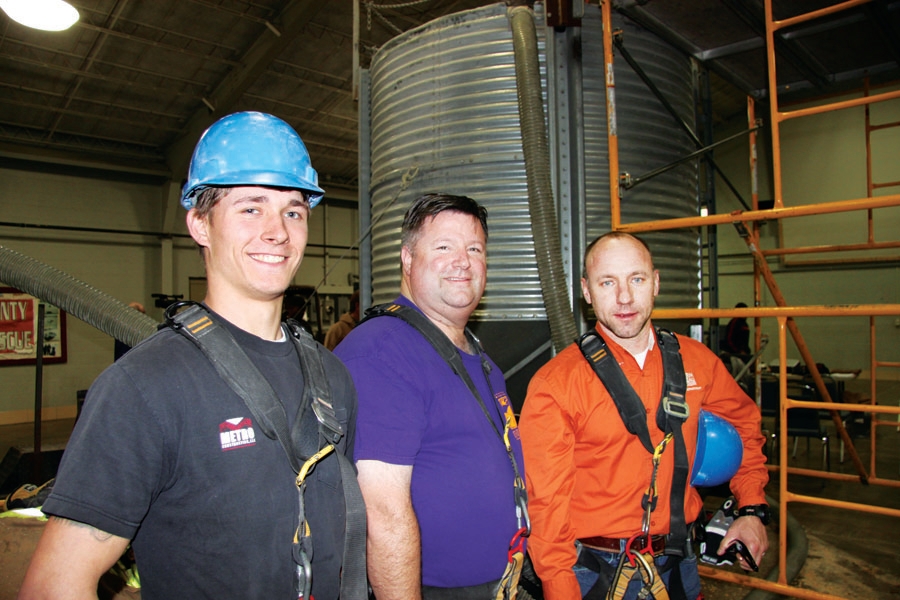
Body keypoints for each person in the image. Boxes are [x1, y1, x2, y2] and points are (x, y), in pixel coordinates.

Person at [19, 112, 364, 600]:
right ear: (200, 224)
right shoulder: (144, 386)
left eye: (293, 210)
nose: (278, 231)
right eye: (250, 208)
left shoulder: (332, 377)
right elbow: (55, 586)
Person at [519, 232, 769, 600]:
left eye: (636, 279)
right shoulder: (557, 383)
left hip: (677, 564)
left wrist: (751, 508)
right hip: (591, 571)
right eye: (608, 282)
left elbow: (745, 425)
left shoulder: (698, 362)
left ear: (655, 283)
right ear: (587, 292)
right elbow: (545, 504)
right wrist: (558, 586)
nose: (624, 297)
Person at [335, 194, 527, 599]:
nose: (463, 261)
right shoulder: (382, 351)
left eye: (474, 249)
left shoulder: (477, 355)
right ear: (407, 259)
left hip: (501, 582)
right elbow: (381, 513)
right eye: (444, 247)